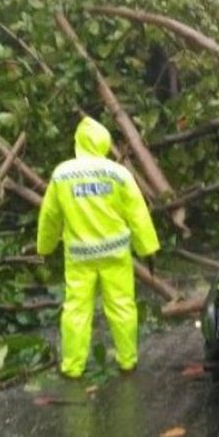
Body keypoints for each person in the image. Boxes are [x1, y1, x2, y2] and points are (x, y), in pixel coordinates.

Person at [37, 117, 159, 378]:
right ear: (104, 142)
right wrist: (147, 248)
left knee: (77, 310)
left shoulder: (62, 174)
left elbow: (50, 217)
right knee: (122, 306)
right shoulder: (118, 173)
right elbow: (138, 213)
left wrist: (44, 248)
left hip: (80, 257)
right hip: (115, 254)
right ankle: (127, 361)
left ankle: (72, 367)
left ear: (78, 142)